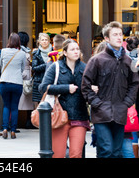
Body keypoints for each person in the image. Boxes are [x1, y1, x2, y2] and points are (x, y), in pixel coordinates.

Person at [81, 21, 139, 158]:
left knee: (117, 152)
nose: (119, 37)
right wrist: (96, 103)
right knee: (106, 149)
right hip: (101, 114)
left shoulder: (128, 61)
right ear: (106, 38)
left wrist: (126, 103)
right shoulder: (97, 60)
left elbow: (134, 84)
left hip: (120, 112)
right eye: (115, 35)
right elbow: (86, 84)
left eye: (120, 34)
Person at [39, 38, 90, 158]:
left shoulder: (85, 68)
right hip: (60, 116)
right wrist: (66, 88)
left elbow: (91, 87)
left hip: (79, 116)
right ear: (65, 52)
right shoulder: (55, 67)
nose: (76, 51)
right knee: (58, 154)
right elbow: (43, 87)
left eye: (77, 49)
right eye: (72, 49)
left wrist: (92, 88)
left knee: (76, 154)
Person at [0, 32, 26, 139]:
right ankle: (13, 131)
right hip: (17, 82)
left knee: (6, 106)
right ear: (18, 42)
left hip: (4, 81)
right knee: (14, 107)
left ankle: (5, 129)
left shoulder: (3, 52)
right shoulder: (22, 53)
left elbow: (1, 65)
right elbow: (22, 68)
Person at [17, 31, 34, 129]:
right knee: (28, 100)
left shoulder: (17, 51)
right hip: (25, 77)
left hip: (19, 78)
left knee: (19, 101)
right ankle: (29, 122)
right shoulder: (25, 52)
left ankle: (14, 123)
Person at [32, 32, 52, 108]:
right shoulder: (36, 53)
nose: (44, 41)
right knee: (38, 106)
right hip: (38, 82)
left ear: (49, 41)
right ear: (39, 42)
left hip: (51, 82)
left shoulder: (54, 52)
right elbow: (34, 68)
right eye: (42, 40)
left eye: (46, 40)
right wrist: (46, 64)